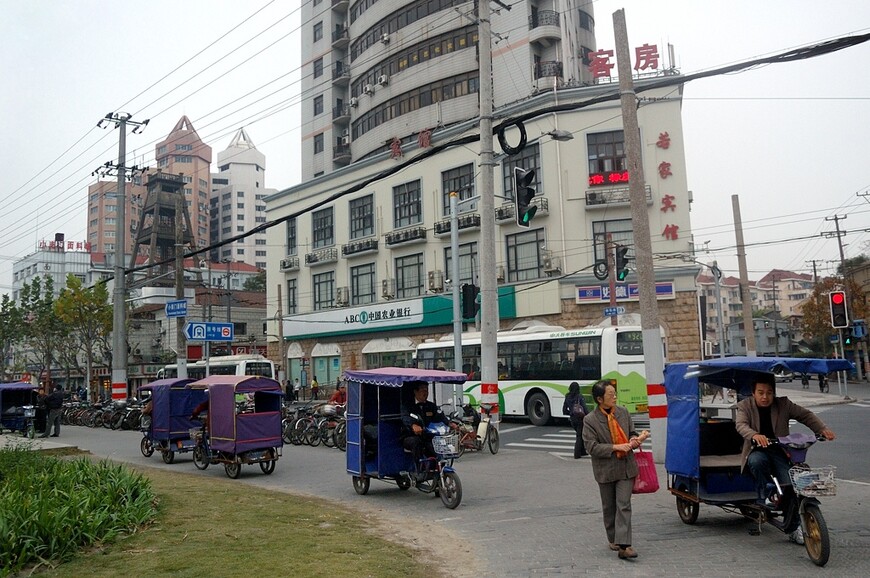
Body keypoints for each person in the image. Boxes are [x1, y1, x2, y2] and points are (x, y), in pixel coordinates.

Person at [735, 373, 835, 506]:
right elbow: (741, 425)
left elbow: (805, 415)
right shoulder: (745, 406)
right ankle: (766, 493)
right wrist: (754, 435)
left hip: (780, 450)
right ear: (753, 393)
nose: (765, 397)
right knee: (757, 462)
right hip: (756, 450)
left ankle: (793, 514)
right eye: (761, 393)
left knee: (790, 481)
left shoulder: (783, 404)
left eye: (769, 393)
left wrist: (822, 429)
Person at [582, 379, 650, 560]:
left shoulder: (623, 412)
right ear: (599, 399)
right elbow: (591, 447)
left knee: (624, 504)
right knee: (609, 506)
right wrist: (615, 447)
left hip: (626, 468)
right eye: (610, 395)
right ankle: (613, 538)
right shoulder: (590, 420)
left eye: (614, 394)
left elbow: (632, 433)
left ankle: (624, 545)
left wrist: (636, 439)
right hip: (605, 469)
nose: (614, 397)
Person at [400, 381, 456, 470]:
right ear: (415, 391)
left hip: (428, 435)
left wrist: (450, 424)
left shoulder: (431, 406)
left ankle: (438, 466)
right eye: (423, 390)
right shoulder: (408, 406)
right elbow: (405, 417)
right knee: (416, 442)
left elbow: (440, 416)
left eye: (427, 390)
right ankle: (418, 469)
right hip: (410, 436)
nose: (425, 393)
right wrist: (413, 425)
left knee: (438, 444)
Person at [562, 381, 589, 458]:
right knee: (579, 436)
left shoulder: (567, 396)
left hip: (572, 419)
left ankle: (583, 451)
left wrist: (571, 413)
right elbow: (584, 407)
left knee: (580, 434)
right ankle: (577, 454)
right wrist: (588, 415)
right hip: (580, 418)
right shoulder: (579, 396)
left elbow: (564, 410)